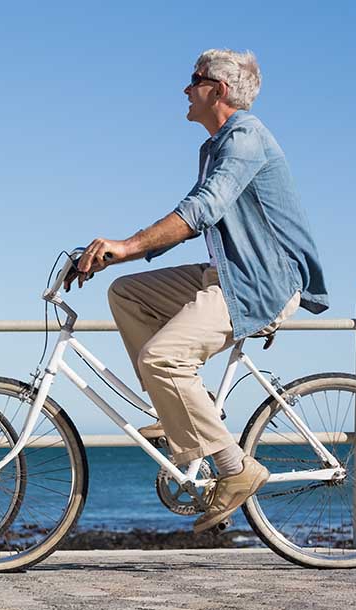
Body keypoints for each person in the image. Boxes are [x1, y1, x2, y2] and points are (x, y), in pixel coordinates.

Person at [71, 49, 329, 533]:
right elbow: (196, 221)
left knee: (163, 358)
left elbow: (202, 209)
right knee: (127, 294)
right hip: (228, 272)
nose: (185, 89)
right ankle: (186, 411)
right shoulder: (213, 147)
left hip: (262, 281)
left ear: (219, 90)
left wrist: (126, 244)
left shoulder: (247, 137)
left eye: (194, 80)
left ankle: (236, 468)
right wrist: (116, 259)